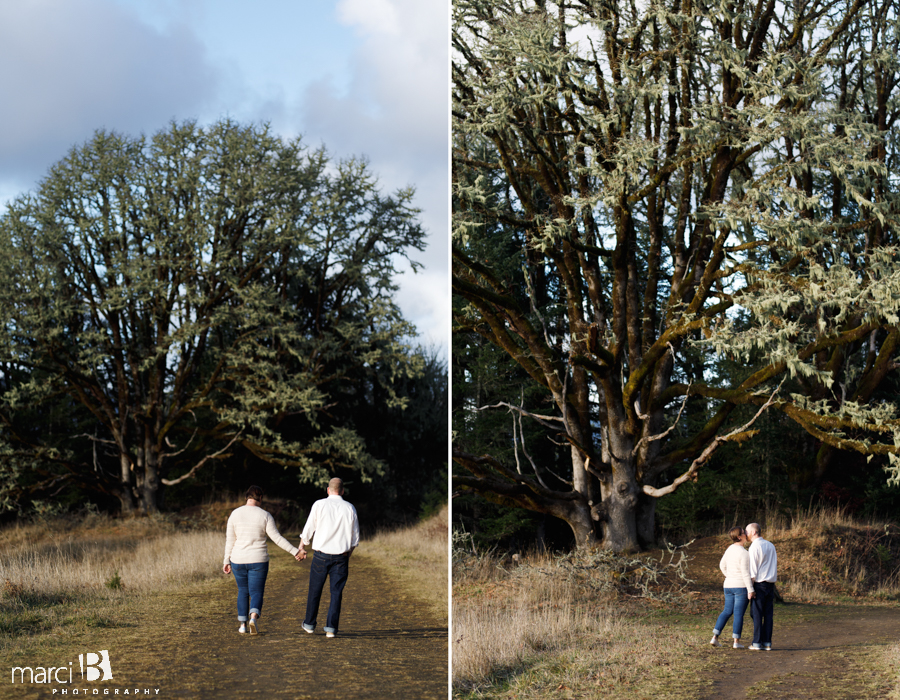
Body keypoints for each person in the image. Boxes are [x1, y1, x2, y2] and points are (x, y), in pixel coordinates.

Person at [222, 485, 301, 635]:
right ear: (261, 498)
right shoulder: (265, 515)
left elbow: (230, 540)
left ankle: (242, 625)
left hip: (237, 559)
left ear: (247, 497)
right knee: (257, 592)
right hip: (258, 560)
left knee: (243, 591)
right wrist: (295, 551)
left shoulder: (234, 514)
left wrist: (226, 561)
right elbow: (277, 538)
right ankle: (253, 618)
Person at [295, 477, 360, 638]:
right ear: (343, 491)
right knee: (336, 592)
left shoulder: (319, 504)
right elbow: (355, 539)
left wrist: (301, 546)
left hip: (320, 556)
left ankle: (309, 624)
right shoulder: (350, 508)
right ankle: (331, 628)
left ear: (328, 490)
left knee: (315, 590)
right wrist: (348, 555)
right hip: (341, 557)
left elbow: (309, 527)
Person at [710, 526, 755, 649]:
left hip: (728, 585)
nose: (746, 534)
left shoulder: (729, 549)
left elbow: (721, 565)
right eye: (743, 533)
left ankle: (714, 637)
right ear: (739, 537)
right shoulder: (745, 553)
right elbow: (746, 574)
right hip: (740, 587)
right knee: (738, 614)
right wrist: (751, 590)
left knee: (726, 611)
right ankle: (736, 642)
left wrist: (729, 576)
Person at [746, 522, 778, 651]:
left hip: (759, 584)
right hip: (771, 584)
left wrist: (750, 589)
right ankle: (767, 642)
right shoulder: (771, 545)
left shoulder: (754, 547)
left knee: (757, 613)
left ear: (754, 532)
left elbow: (753, 571)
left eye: (747, 532)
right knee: (768, 614)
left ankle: (756, 642)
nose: (746, 534)